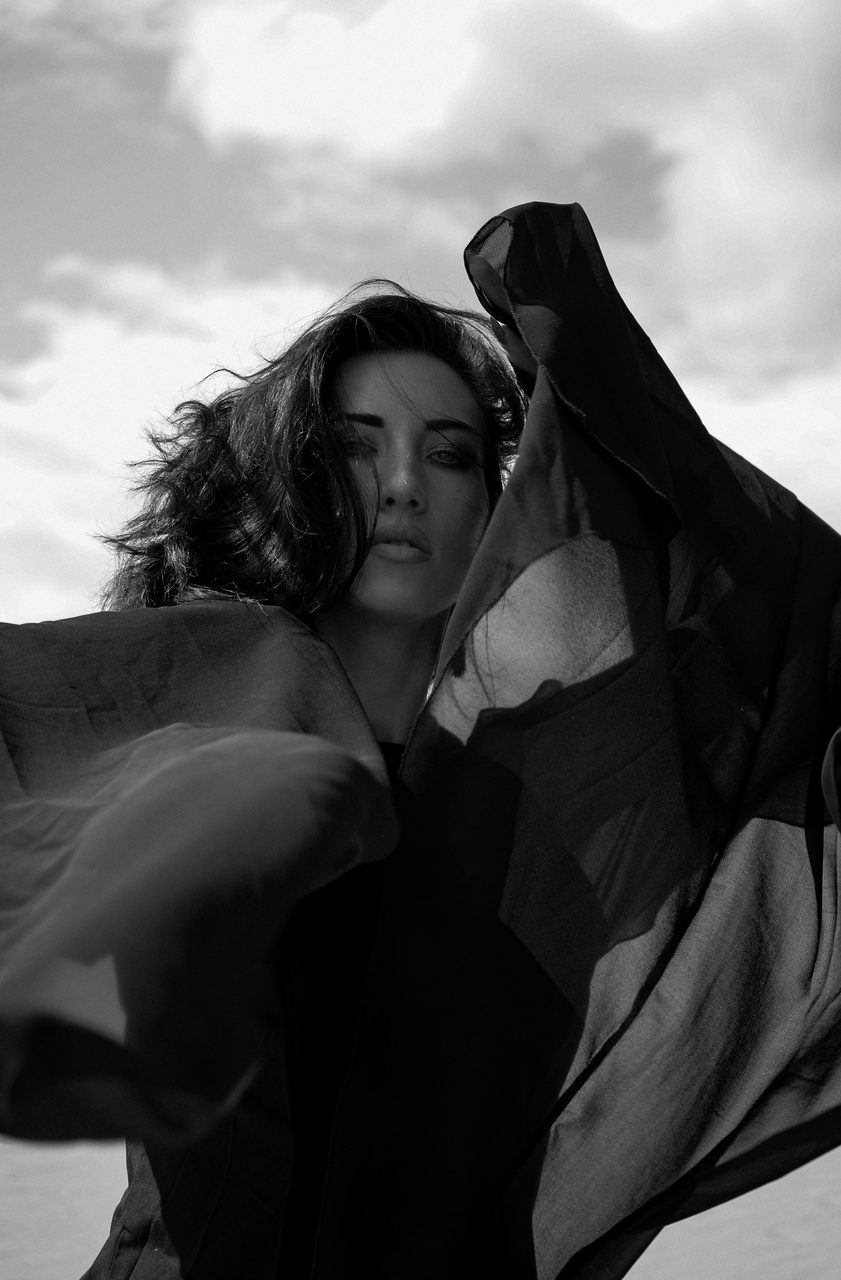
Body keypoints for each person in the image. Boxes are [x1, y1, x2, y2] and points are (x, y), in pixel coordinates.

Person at [1, 201, 841, 1280]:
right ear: (288, 479)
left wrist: (615, 418)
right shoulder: (188, 686)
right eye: (354, 448)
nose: (403, 484)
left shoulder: (542, 799)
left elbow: (774, 679)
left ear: (494, 504)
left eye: (447, 454)